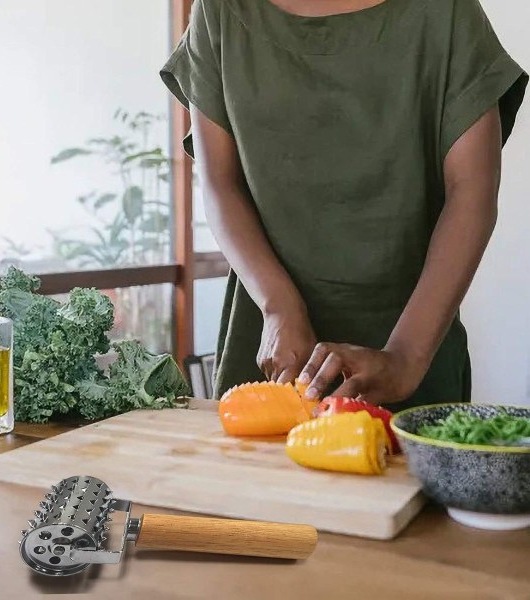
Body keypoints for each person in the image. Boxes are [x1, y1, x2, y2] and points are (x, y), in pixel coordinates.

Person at [160, 0, 527, 410]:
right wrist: (278, 304)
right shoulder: (221, 10)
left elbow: (472, 191)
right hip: (269, 338)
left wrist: (405, 357)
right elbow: (219, 182)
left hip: (414, 338)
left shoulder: (447, 12)